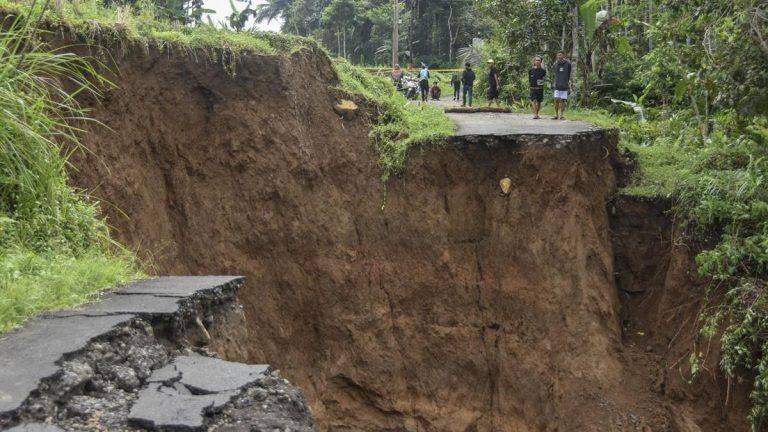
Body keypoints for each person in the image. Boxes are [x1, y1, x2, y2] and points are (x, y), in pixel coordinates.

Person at [552, 50, 571, 120]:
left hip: (564, 85)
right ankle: (556, 115)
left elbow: (569, 74)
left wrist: (566, 82)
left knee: (563, 100)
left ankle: (562, 115)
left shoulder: (568, 64)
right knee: (556, 100)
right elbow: (555, 74)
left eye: (560, 55)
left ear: (563, 55)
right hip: (557, 85)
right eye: (558, 55)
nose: (559, 56)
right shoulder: (555, 64)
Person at [528, 55, 546, 119]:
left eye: (539, 60)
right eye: (536, 60)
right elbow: (529, 79)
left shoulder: (543, 71)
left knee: (539, 102)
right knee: (534, 101)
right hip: (532, 88)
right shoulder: (530, 70)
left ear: (541, 62)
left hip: (540, 89)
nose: (537, 61)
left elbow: (543, 79)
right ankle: (535, 114)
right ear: (534, 61)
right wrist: (529, 86)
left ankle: (537, 113)